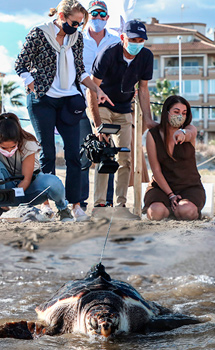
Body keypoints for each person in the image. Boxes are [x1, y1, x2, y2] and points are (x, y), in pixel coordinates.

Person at [15, 0, 113, 221]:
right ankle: (46, 204)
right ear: (61, 15)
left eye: (80, 24)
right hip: (43, 100)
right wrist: (29, 81)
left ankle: (75, 206)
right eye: (74, 22)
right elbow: (20, 63)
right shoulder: (39, 33)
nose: (77, 27)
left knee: (74, 155)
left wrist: (96, 89)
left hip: (69, 100)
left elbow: (80, 69)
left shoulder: (76, 38)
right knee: (47, 153)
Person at [87, 19, 154, 216]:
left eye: (141, 39)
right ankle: (99, 205)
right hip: (103, 107)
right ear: (123, 37)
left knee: (125, 157)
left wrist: (148, 119)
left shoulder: (146, 56)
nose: (138, 43)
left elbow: (143, 89)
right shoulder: (108, 53)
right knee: (104, 154)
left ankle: (120, 205)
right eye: (134, 39)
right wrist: (98, 123)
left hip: (124, 109)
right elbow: (92, 88)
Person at [0, 113, 74, 222]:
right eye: (4, 148)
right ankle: (0, 210)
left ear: (18, 140)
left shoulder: (28, 143)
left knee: (53, 182)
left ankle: (63, 209)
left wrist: (13, 195)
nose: (9, 151)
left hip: (30, 189)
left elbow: (26, 179)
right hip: (5, 190)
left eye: (13, 147)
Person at [79, 0, 120, 211]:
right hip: (80, 101)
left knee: (107, 151)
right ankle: (80, 203)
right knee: (85, 151)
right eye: (93, 14)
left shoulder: (115, 41)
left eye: (101, 14)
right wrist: (93, 91)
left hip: (107, 104)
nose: (97, 17)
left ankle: (107, 202)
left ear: (107, 17)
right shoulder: (76, 39)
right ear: (87, 16)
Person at [143, 95, 206, 220]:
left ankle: (176, 211)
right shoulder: (153, 135)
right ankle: (170, 210)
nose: (180, 116)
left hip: (189, 186)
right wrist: (171, 195)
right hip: (161, 187)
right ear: (167, 112)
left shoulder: (189, 129)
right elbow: (156, 170)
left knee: (186, 210)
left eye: (184, 113)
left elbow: (190, 133)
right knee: (155, 212)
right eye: (176, 112)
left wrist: (182, 133)